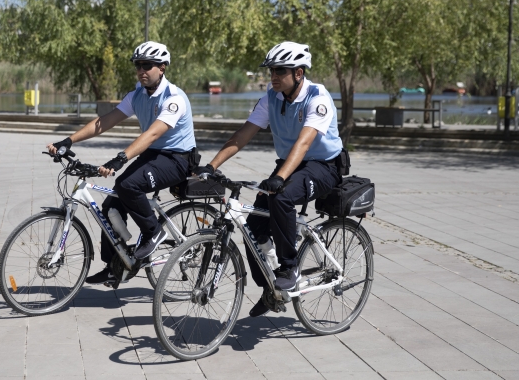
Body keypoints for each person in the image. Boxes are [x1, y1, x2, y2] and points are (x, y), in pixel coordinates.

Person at [194, 42, 343, 317]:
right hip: (289, 165)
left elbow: (304, 141)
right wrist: (212, 166)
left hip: (323, 166)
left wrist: (280, 178)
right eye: (272, 70)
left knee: (282, 197)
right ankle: (270, 290)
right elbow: (243, 133)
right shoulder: (271, 98)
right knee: (253, 226)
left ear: (298, 73)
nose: (273, 75)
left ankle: (289, 267)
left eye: (280, 71)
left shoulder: (317, 97)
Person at [47, 41, 197, 285]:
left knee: (127, 185)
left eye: (147, 65)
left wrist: (121, 158)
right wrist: (69, 140)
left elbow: (153, 134)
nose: (141, 71)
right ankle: (114, 265)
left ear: (162, 67)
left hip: (177, 159)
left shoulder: (174, 98)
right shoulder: (137, 94)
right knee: (111, 206)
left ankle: (154, 232)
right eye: (138, 66)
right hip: (153, 156)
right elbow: (104, 122)